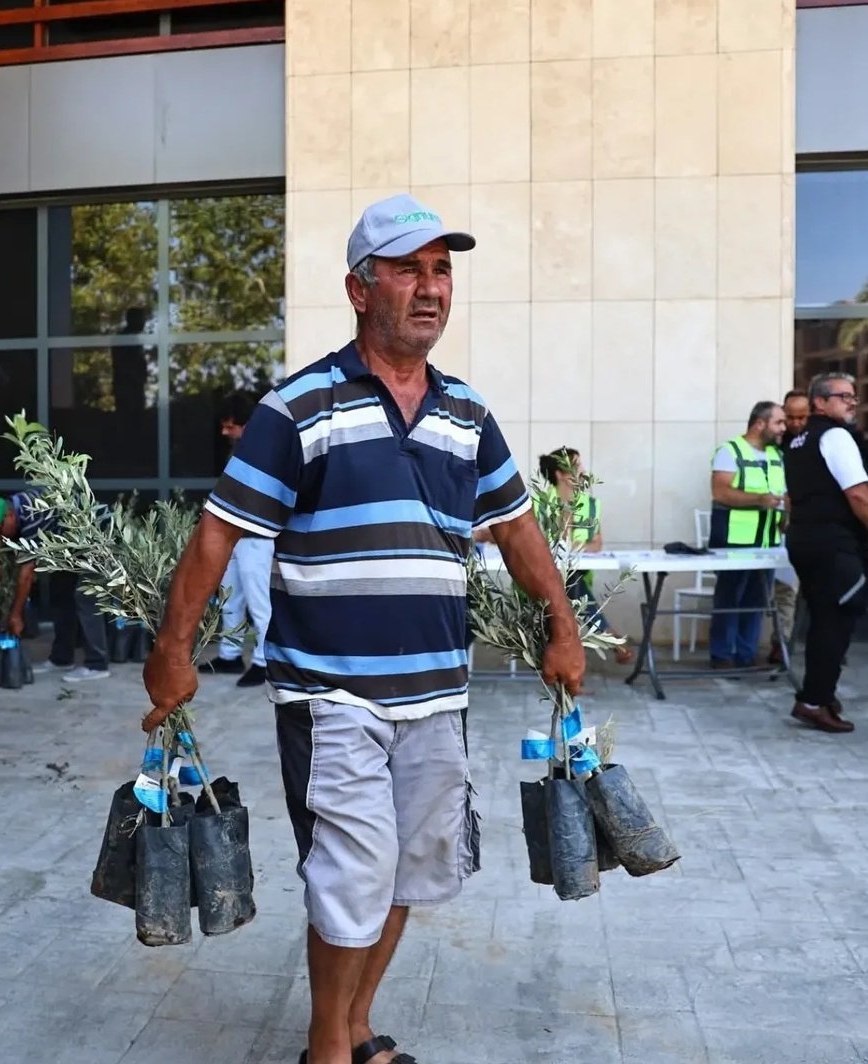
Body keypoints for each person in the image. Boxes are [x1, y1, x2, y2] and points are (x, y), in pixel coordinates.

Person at [140, 194, 585, 1064]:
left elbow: (518, 528)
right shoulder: (298, 405)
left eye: (441, 270)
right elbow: (219, 530)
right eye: (407, 270)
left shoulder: (466, 412)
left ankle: (354, 1024)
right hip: (330, 691)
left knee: (410, 871)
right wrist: (171, 650)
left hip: (436, 693)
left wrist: (560, 625)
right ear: (358, 288)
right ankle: (325, 1050)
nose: (429, 289)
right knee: (350, 873)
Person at [784, 372, 868, 733]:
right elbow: (859, 494)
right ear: (820, 401)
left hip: (805, 540)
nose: (852, 402)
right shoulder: (835, 436)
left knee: (824, 619)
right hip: (833, 543)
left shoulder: (798, 440)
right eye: (843, 396)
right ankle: (814, 700)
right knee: (835, 622)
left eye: (853, 396)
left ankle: (819, 694)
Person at [0, 490, 110, 682]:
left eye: (0, 528)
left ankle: (97, 664)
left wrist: (16, 615)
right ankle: (61, 659)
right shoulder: (17, 510)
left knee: (85, 596)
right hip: (70, 545)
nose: (1, 535)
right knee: (60, 593)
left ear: (9, 516)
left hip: (97, 538)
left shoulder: (31, 514)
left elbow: (26, 574)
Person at [197, 391, 272, 688]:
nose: (224, 431)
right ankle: (229, 655)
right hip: (236, 535)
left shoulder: (266, 449)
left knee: (259, 603)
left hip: (257, 537)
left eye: (230, 425)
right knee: (230, 598)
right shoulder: (241, 448)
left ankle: (265, 661)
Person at [708, 401, 787, 669]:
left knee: (756, 599)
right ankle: (722, 655)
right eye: (779, 422)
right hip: (734, 539)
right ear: (760, 423)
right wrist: (759, 499)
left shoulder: (778, 455)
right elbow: (721, 492)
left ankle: (745, 655)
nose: (783, 428)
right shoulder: (729, 451)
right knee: (729, 598)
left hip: (768, 540)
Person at [538, 447, 633, 665]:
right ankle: (608, 634)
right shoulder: (540, 503)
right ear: (560, 474)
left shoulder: (590, 505)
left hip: (576, 577)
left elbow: (597, 544)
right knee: (566, 583)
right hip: (540, 580)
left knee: (570, 581)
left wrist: (572, 543)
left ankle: (605, 638)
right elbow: (548, 546)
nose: (582, 470)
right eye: (576, 466)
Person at [770, 389, 810, 663]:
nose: (795, 423)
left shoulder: (817, 442)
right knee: (783, 589)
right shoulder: (776, 445)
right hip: (776, 526)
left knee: (796, 590)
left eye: (801, 417)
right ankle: (779, 643)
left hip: (808, 525)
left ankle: (783, 642)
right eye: (790, 417)